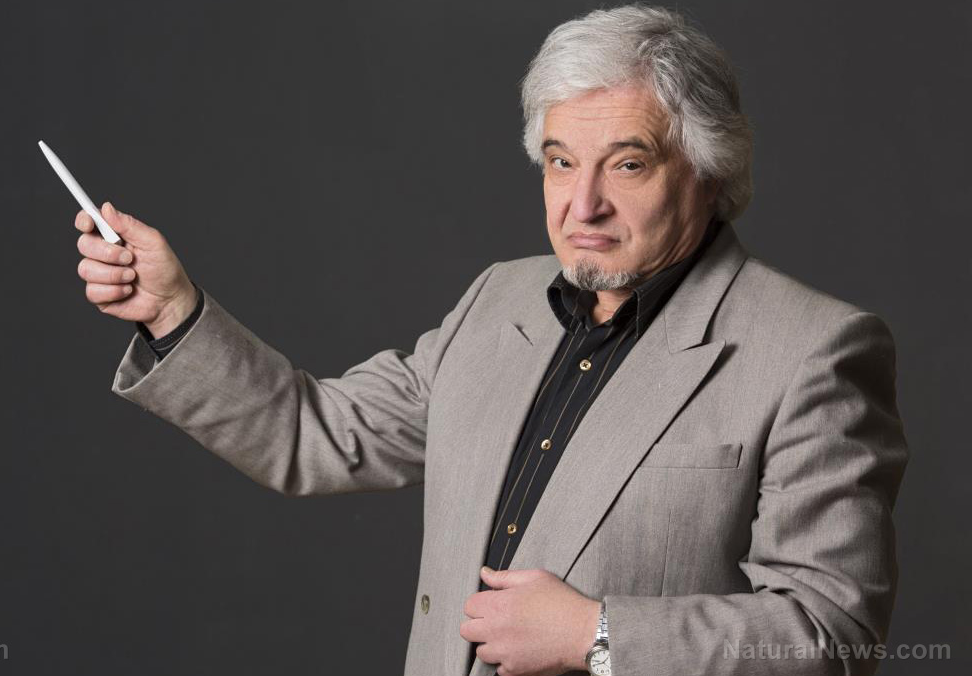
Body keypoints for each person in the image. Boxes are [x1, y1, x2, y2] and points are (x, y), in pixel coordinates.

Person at [70, 5, 909, 676]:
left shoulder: (813, 350)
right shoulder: (497, 299)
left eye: (627, 164)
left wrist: (597, 635)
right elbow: (313, 434)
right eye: (559, 161)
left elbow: (833, 635)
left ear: (709, 169)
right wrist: (174, 311)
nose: (582, 205)